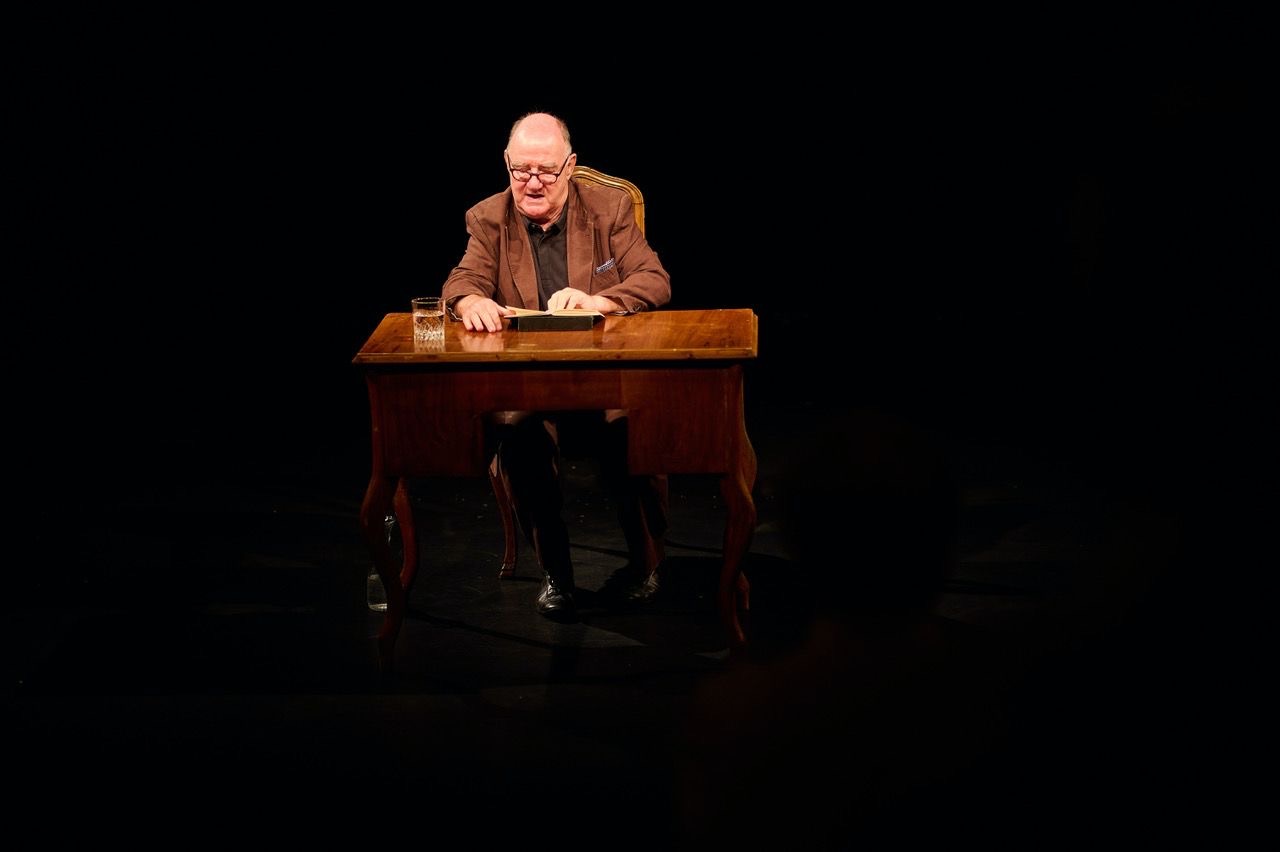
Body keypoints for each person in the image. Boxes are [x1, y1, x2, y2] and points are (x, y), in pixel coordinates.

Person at [441, 112, 672, 622]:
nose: (533, 183)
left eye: (546, 171)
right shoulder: (488, 218)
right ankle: (557, 575)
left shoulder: (609, 208)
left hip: (604, 378)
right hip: (531, 384)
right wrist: (469, 302)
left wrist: (600, 300)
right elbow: (461, 281)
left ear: (569, 166)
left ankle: (646, 564)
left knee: (633, 432)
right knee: (517, 438)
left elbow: (654, 279)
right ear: (507, 164)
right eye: (521, 170)